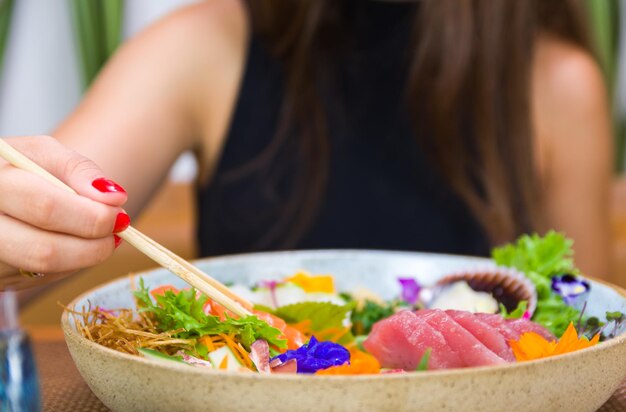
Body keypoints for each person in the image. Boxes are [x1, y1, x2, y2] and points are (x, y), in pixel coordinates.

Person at [0, 0, 613, 292]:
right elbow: (43, 223)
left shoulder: (557, 85)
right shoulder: (200, 46)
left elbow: (585, 340)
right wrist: (19, 239)